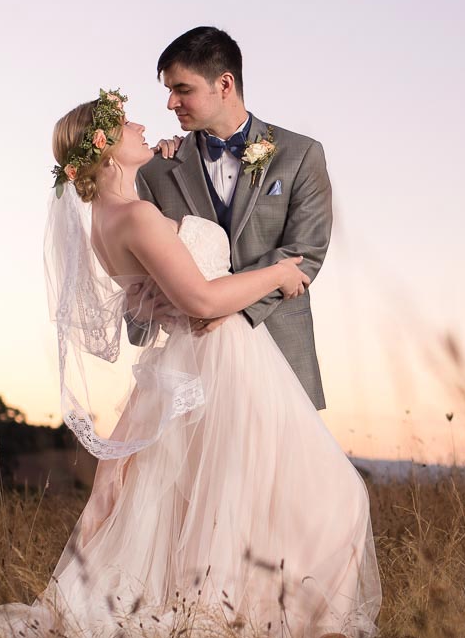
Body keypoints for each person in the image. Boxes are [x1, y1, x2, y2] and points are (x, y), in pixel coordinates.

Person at [0, 88, 379, 638]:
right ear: (103, 146)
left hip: (187, 364)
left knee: (224, 504)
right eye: (128, 125)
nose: (144, 125)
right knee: (325, 494)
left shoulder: (111, 216)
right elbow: (202, 298)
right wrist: (278, 272)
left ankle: (298, 635)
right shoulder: (135, 216)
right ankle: (270, 634)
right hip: (219, 358)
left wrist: (163, 159)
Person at [130, 26, 332, 410]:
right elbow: (146, 269)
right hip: (195, 368)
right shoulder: (156, 172)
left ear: (224, 84)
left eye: (182, 89)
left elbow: (306, 252)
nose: (171, 103)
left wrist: (224, 301)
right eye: (169, 91)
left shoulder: (300, 154)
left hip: (280, 353)